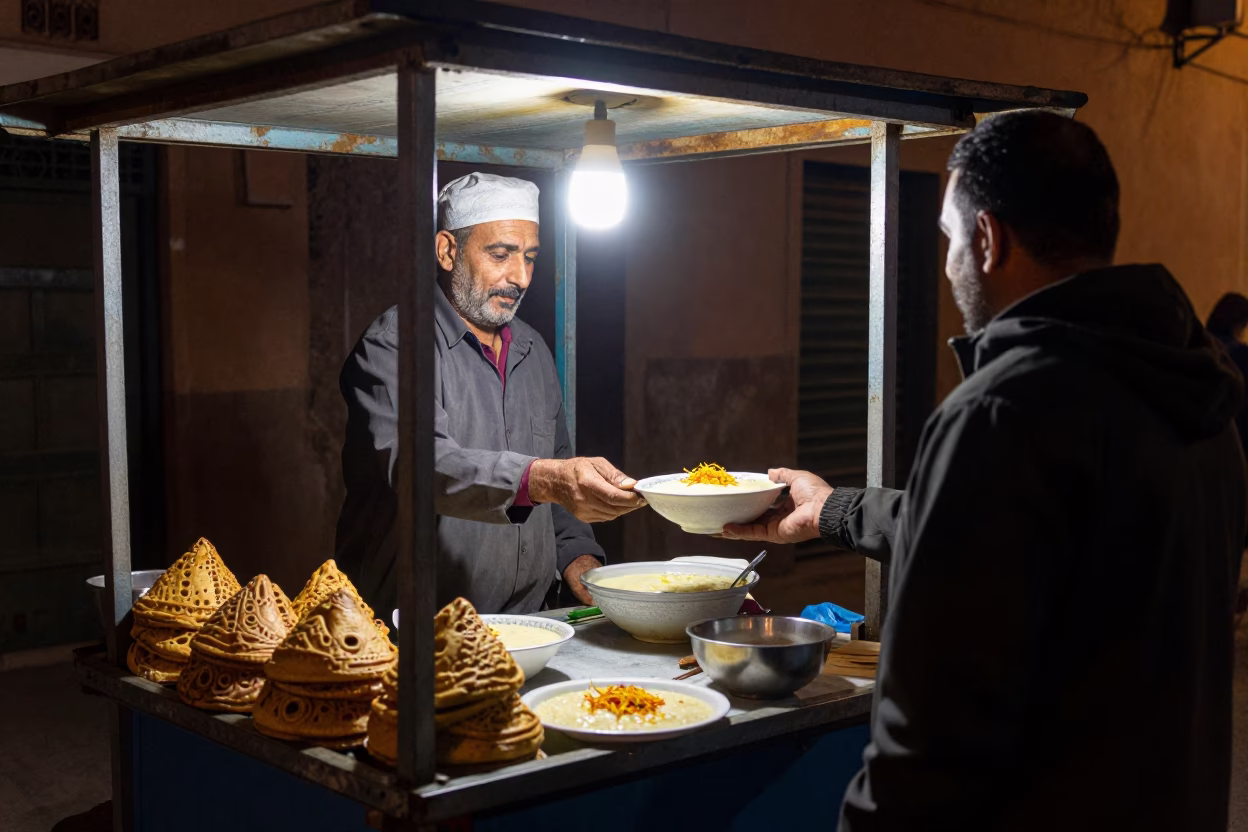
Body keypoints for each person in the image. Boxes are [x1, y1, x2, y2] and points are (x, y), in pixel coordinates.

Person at [725, 112, 1246, 830]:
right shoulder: (1201, 401)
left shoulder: (1002, 412)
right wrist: (829, 510)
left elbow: (930, 729)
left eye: (946, 238)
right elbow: (1028, 543)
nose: (947, 264)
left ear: (988, 239)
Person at [335, 172, 644, 617]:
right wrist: (541, 479)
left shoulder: (532, 349)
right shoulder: (397, 344)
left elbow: (557, 468)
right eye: (500, 255)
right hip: (418, 630)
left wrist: (578, 556)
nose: (519, 277)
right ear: (448, 251)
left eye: (531, 258)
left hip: (529, 623)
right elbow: (421, 466)